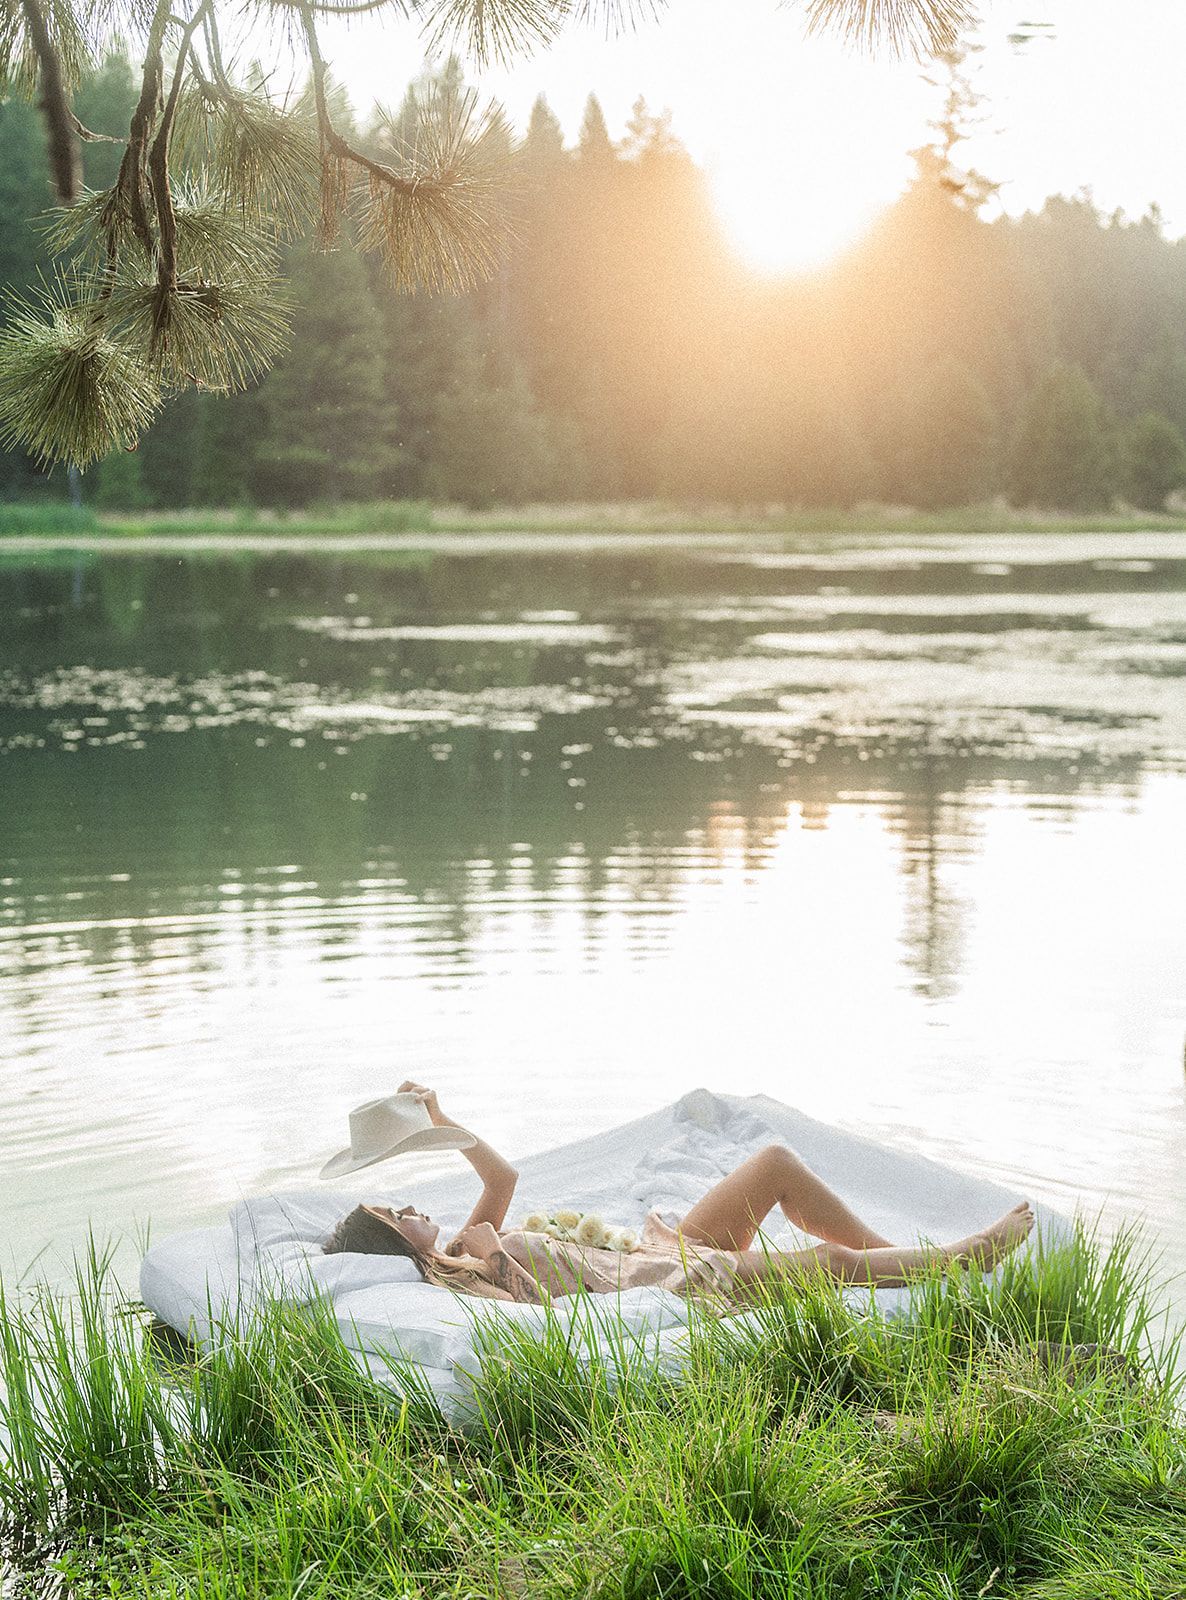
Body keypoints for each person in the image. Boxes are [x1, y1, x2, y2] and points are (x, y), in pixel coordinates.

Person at [323, 1081, 1036, 1307]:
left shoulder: (460, 1242)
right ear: (393, 1246)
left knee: (775, 1164)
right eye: (396, 1215)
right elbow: (527, 1313)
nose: (410, 1207)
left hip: (653, 1253)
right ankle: (960, 1260)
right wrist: (489, 1256)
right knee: (823, 1265)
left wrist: (443, 1123)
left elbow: (502, 1179)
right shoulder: (460, 1284)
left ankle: (903, 1265)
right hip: (666, 1286)